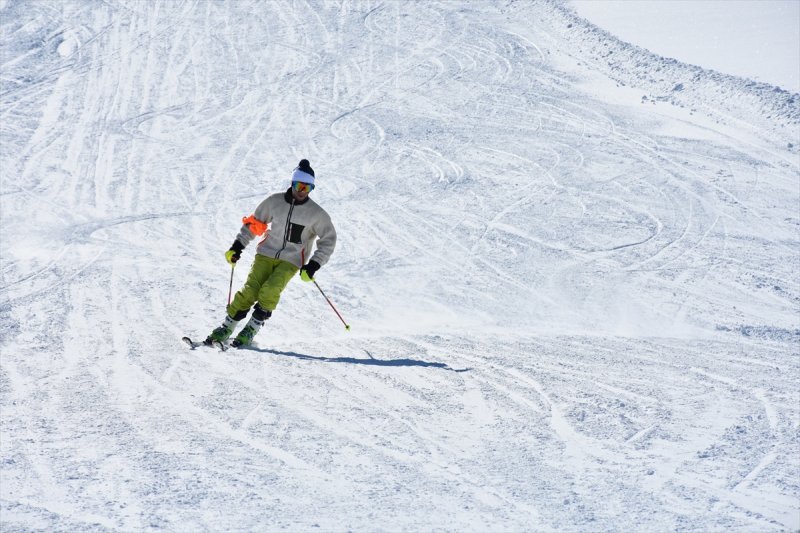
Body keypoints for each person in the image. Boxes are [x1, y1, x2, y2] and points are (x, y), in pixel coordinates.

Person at [205, 159, 337, 347]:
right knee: (249, 291)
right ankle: (226, 328)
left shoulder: (316, 214)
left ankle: (251, 329)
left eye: (307, 188)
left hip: (291, 260)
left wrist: (314, 264)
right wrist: (237, 246)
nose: (302, 191)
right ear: (292, 183)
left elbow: (328, 240)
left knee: (270, 290)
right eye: (299, 186)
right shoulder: (274, 202)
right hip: (265, 254)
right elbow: (254, 224)